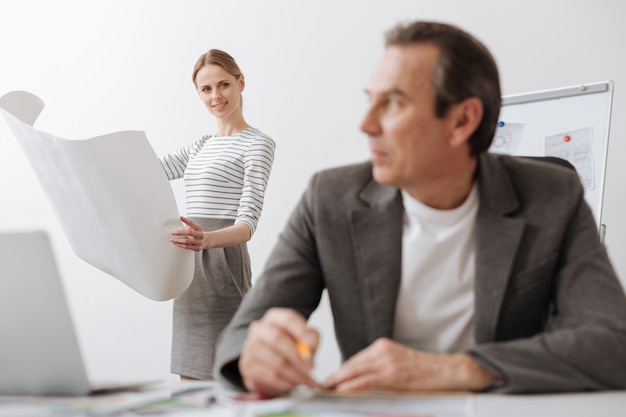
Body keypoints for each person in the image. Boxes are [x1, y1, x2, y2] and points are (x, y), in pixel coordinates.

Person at [214, 21, 626, 396]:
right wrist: (256, 357)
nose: (366, 124)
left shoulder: (552, 194)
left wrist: (459, 369)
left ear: (462, 120)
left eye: (392, 104)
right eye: (369, 100)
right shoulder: (330, 197)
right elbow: (240, 337)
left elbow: (613, 343)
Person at [160, 49, 275, 380]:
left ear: (241, 83)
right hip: (188, 263)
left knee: (229, 374)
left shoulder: (257, 143)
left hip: (222, 259)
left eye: (223, 84)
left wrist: (205, 240)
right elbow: (149, 172)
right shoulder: (199, 145)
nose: (216, 96)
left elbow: (247, 225)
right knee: (190, 375)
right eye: (206, 89)